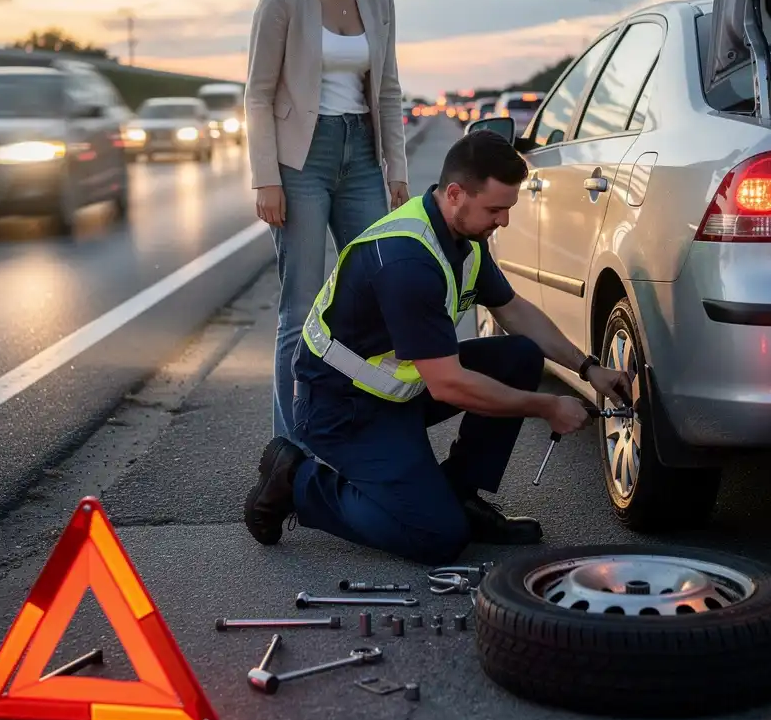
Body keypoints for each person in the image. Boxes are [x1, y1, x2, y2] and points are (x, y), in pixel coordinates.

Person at [243, 130, 635, 565]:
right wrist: (547, 407)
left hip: (398, 389)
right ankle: (297, 480)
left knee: (520, 354)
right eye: (496, 209)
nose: (503, 221)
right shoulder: (406, 261)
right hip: (344, 410)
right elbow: (448, 385)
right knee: (437, 536)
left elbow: (513, 310)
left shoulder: (464, 239)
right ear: (455, 194)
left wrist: (588, 368)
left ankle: (459, 495)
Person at [246, 0, 410, 440]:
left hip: (362, 156)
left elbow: (387, 91)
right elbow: (257, 94)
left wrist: (397, 171)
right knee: (300, 309)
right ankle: (289, 453)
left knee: (376, 297)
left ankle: (360, 436)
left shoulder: (380, 1)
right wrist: (266, 177)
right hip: (302, 163)